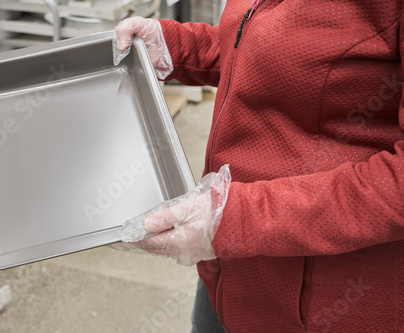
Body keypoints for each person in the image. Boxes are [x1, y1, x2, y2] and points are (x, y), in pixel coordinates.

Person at [113, 0, 404, 332]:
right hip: (229, 269)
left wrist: (234, 219)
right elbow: (265, 49)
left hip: (322, 300)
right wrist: (177, 46)